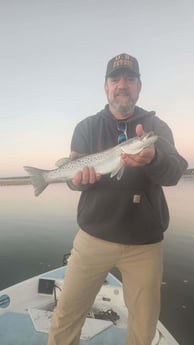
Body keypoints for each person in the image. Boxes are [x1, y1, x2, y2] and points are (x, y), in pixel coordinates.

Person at [48, 53, 188, 345]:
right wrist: (76, 181)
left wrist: (154, 158)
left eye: (130, 79)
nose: (122, 85)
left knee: (143, 326)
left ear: (139, 86)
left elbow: (175, 172)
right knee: (65, 316)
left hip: (145, 245)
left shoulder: (156, 128)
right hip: (93, 238)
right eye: (116, 79)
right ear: (106, 87)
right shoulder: (86, 127)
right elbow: (77, 180)